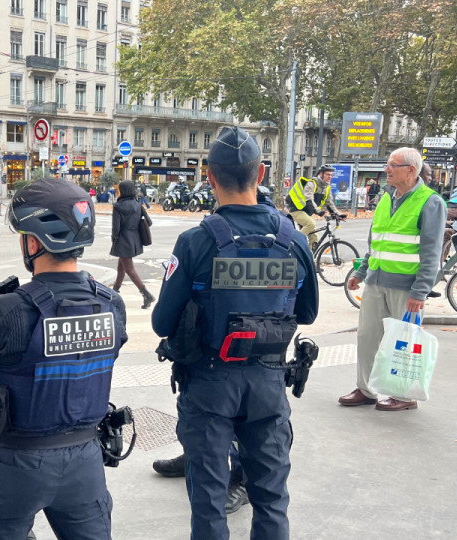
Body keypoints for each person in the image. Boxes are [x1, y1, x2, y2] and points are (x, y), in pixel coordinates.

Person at [152, 126, 318, 539]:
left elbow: (160, 323)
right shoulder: (293, 241)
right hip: (268, 383)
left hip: (209, 385)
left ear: (209, 176)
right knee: (271, 499)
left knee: (208, 502)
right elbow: (309, 312)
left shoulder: (196, 243)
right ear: (260, 174)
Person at [0, 177, 128, 539]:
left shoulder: (6, 311)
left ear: (33, 242)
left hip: (17, 462)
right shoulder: (112, 305)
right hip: (86, 461)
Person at [340, 148, 445, 412]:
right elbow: (376, 242)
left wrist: (420, 292)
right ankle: (366, 389)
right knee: (367, 337)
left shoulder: (430, 202)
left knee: (405, 343)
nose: (386, 170)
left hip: (406, 287)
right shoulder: (387, 198)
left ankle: (406, 395)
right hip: (376, 281)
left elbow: (431, 253)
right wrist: (361, 272)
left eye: (392, 165)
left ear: (411, 170)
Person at [111, 180, 156, 309]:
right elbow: (149, 222)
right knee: (121, 268)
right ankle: (114, 292)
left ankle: (146, 293)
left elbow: (116, 228)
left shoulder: (117, 206)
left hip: (123, 240)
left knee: (129, 269)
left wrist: (114, 240)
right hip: (135, 240)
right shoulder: (138, 205)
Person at [285, 163, 344, 250]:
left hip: (307, 213)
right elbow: (309, 200)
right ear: (321, 174)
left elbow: (329, 203)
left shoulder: (327, 187)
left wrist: (338, 214)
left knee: (314, 239)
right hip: (296, 210)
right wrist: (318, 211)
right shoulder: (312, 184)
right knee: (311, 223)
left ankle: (309, 259)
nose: (330, 177)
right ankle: (293, 245)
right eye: (327, 174)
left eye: (331, 175)